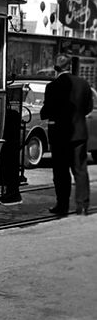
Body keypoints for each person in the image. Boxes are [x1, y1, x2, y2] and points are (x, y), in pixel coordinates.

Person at [40, 53, 93, 216]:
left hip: (60, 135)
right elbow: (88, 108)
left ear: (56, 68)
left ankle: (62, 206)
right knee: (80, 169)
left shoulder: (52, 87)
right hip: (79, 133)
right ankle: (82, 205)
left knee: (61, 172)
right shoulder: (84, 84)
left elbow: (46, 111)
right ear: (70, 66)